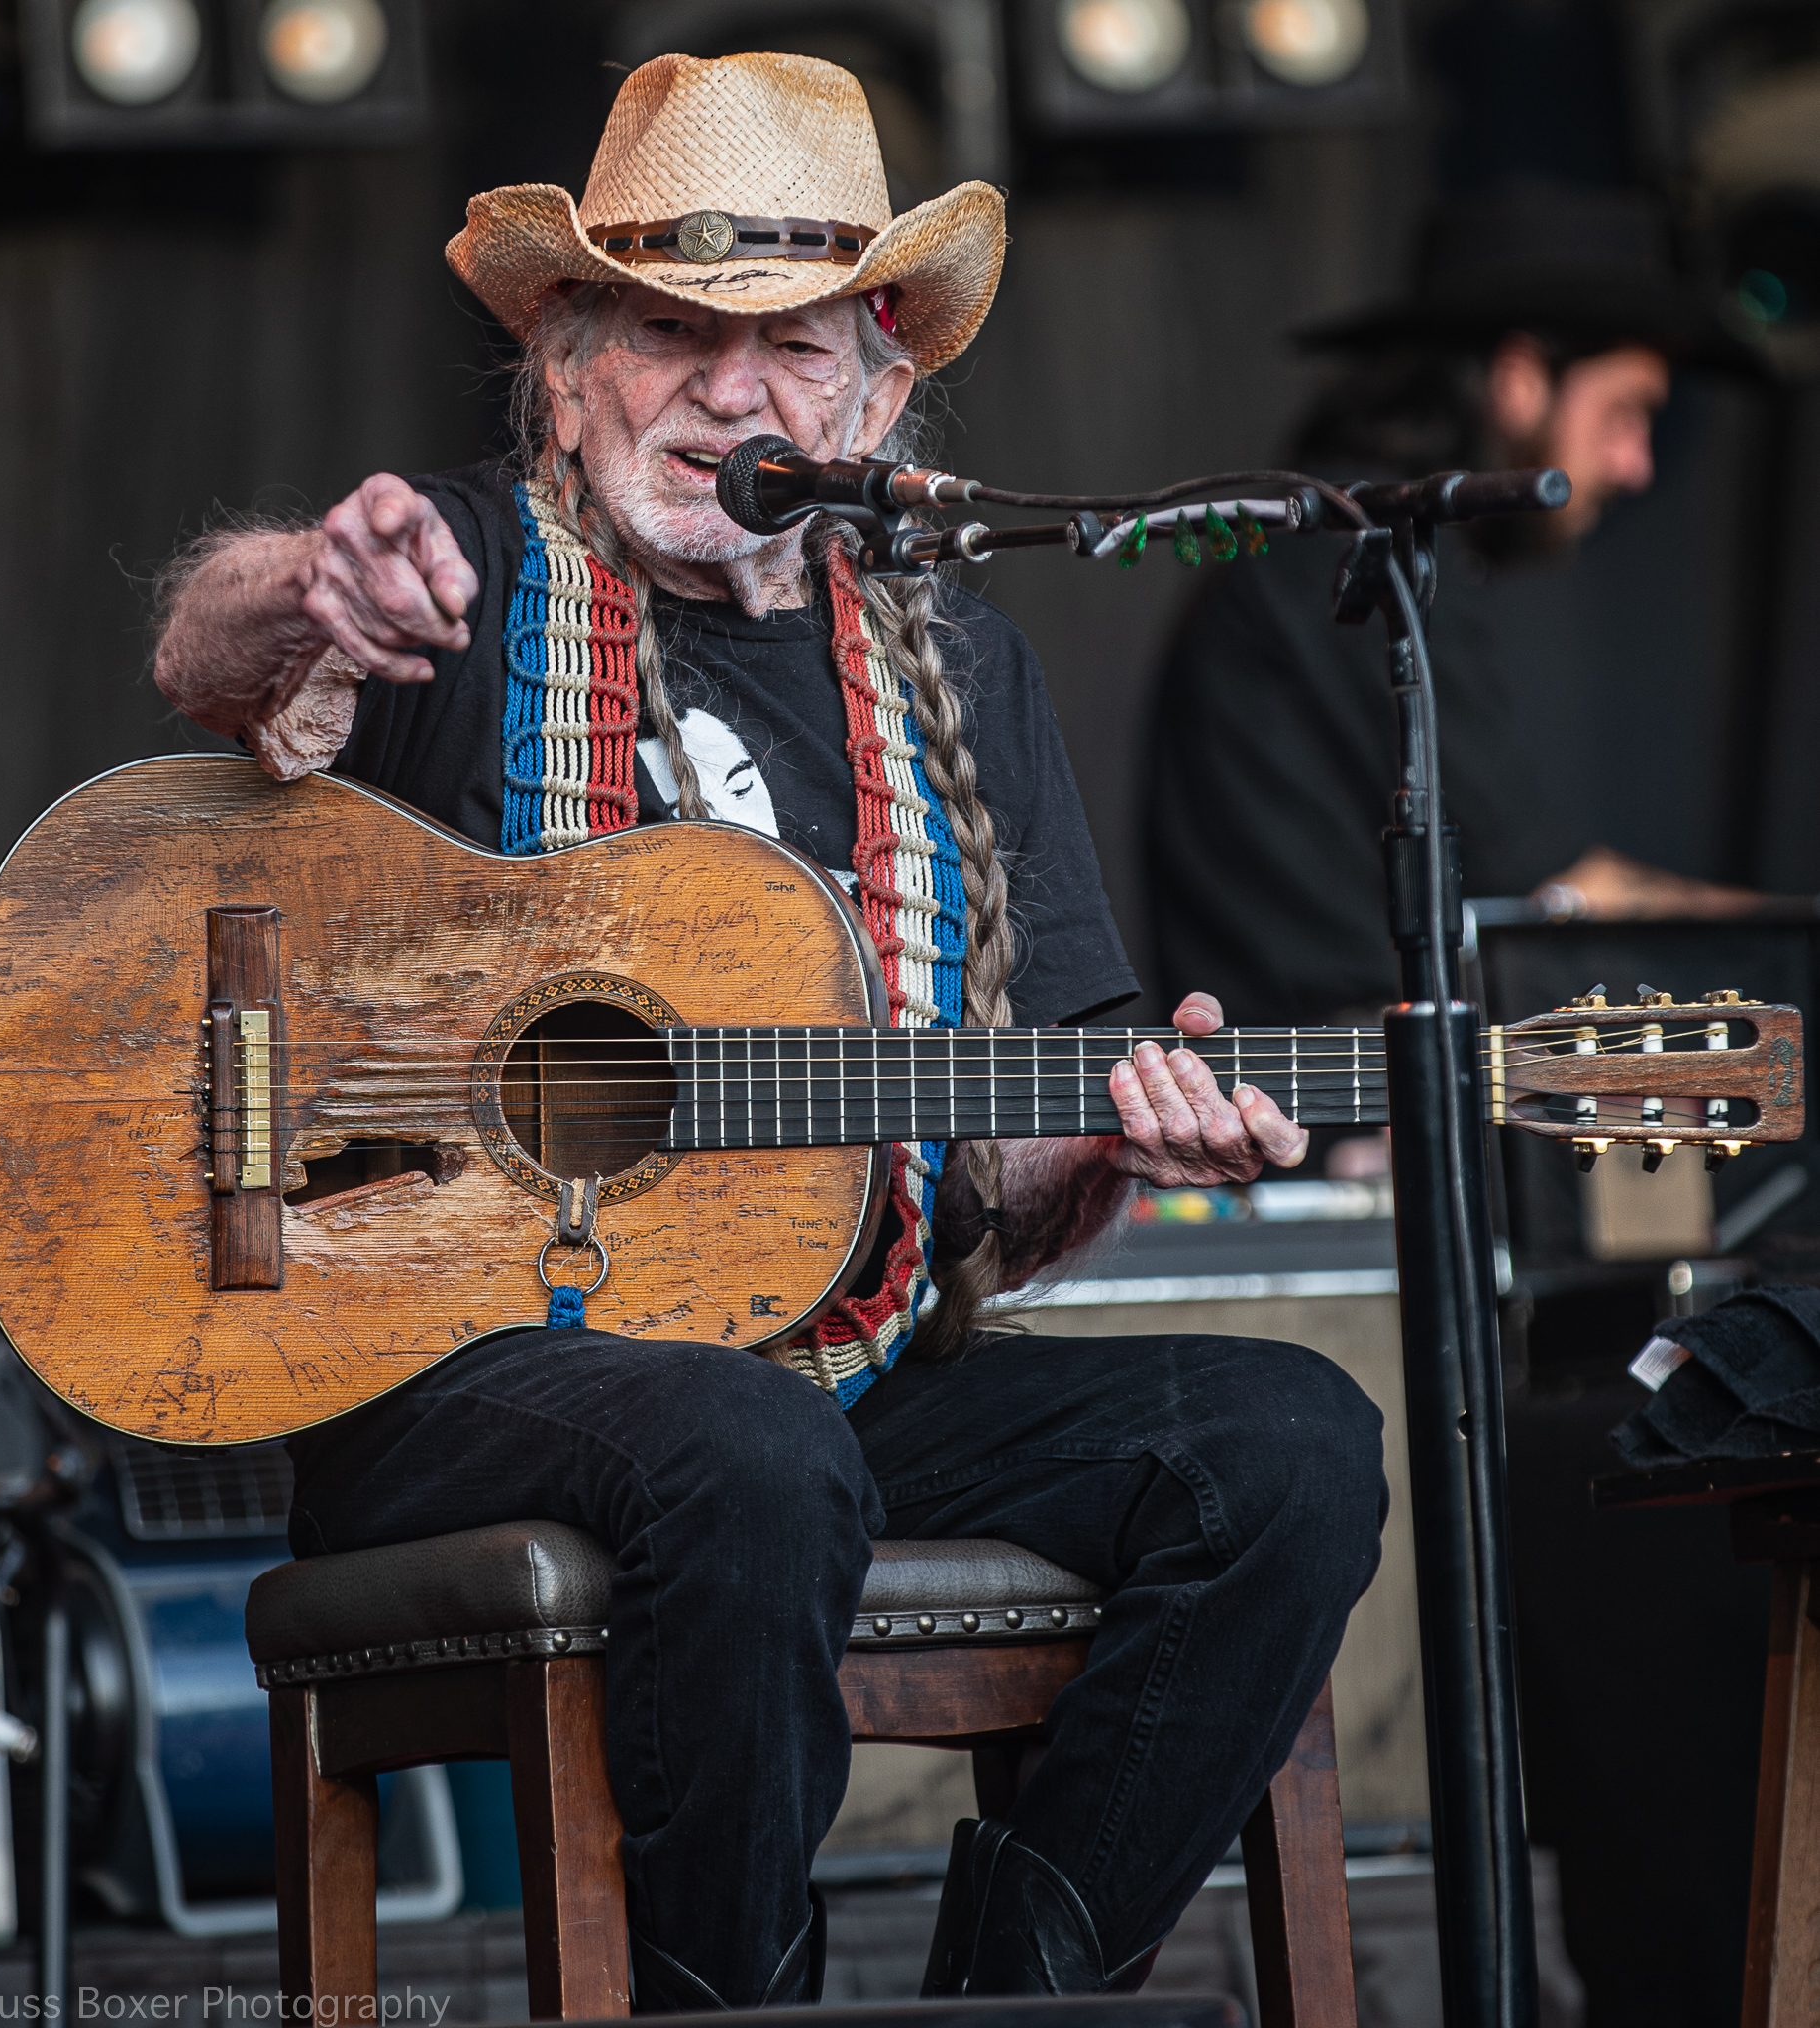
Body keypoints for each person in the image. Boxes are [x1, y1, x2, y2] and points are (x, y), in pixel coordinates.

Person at [153, 54, 1385, 2012]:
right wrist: (304, 590)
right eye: (666, 329)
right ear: (566, 367)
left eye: (792, 343)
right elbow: (217, 664)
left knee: (1292, 1444)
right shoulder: (454, 573)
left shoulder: (961, 666)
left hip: (840, 1363)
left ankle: (1015, 1986)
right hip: (452, 1363)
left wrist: (1126, 1144)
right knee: (738, 1451)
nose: (732, 394)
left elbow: (1017, 1173)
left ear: (883, 386)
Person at [1143, 186, 1764, 1038]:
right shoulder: (1360, 554)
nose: (1634, 464)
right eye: (1625, 413)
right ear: (1518, 380)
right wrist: (1781, 950)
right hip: (1329, 1114)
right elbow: (1540, 877)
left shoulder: (1350, 540)